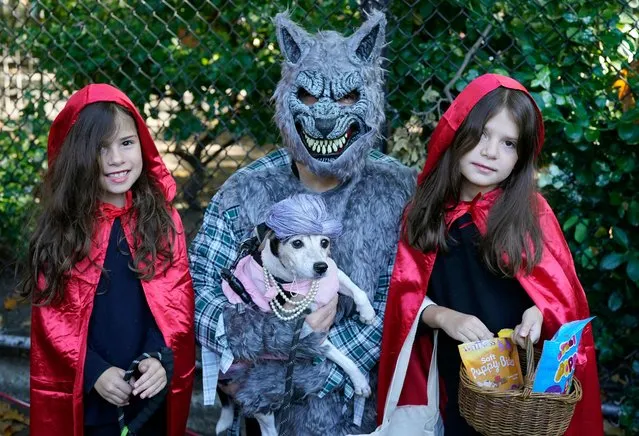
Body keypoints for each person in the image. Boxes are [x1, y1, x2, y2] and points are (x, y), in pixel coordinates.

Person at [190, 11, 415, 435]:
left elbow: (403, 304)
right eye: (309, 97)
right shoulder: (244, 192)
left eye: (346, 97)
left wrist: (311, 370)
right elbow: (198, 296)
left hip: (366, 420)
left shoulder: (400, 192)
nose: (326, 116)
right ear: (287, 94)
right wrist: (283, 336)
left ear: (369, 95)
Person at [377, 73, 603, 435]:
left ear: (522, 155)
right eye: (482, 134)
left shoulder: (533, 213)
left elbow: (560, 299)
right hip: (453, 386)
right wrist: (442, 317)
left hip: (522, 397)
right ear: (456, 133)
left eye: (509, 143)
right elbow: (406, 298)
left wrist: (539, 313)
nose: (490, 151)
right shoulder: (424, 212)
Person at [22, 84, 195, 436]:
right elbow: (53, 322)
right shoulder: (62, 231)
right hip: (88, 404)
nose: (117, 158)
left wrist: (157, 358)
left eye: (126, 143)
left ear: (142, 144)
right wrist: (93, 371)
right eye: (101, 148)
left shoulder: (161, 220)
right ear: (79, 156)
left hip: (149, 397)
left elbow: (176, 306)